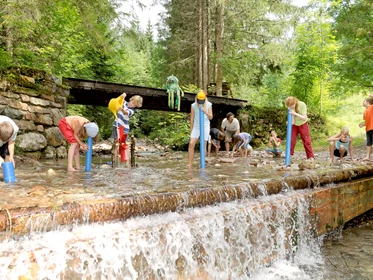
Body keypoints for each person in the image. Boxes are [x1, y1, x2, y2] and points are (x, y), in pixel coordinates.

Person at [111, 93, 143, 165]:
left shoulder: (132, 111)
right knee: (116, 143)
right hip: (116, 125)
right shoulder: (124, 102)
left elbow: (125, 112)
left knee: (123, 145)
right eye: (133, 102)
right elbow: (117, 100)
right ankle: (114, 161)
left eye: (135, 105)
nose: (133, 105)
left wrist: (122, 109)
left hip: (124, 128)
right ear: (131, 99)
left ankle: (127, 163)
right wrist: (122, 96)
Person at [187, 90, 213, 167]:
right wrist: (191, 129)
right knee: (191, 143)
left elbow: (211, 117)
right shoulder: (193, 105)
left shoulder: (208, 105)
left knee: (203, 144)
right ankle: (189, 164)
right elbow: (192, 118)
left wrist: (206, 112)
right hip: (196, 126)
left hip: (205, 125)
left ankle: (202, 162)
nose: (200, 102)